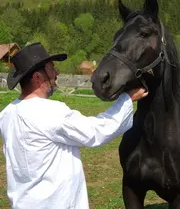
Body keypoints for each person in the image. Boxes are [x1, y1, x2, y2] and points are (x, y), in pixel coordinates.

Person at [0, 42, 148, 209]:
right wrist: (127, 99)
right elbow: (96, 132)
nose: (57, 73)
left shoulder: (7, 114)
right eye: (52, 68)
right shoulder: (49, 112)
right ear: (37, 77)